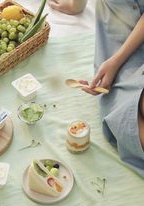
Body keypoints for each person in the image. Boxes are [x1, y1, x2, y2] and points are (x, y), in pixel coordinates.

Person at [48, 0, 144, 176]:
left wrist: (116, 61)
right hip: (117, 38)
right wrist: (75, 5)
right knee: (127, 121)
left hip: (125, 47)